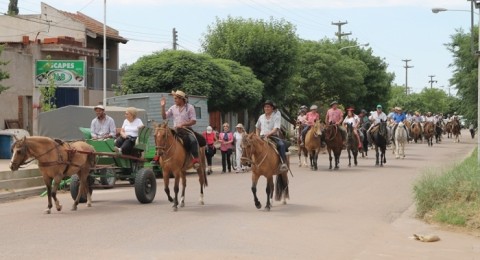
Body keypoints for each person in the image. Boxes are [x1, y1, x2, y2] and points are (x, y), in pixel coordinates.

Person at [157, 90, 206, 169]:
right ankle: (158, 157)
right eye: (174, 98)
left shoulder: (190, 107)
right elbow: (164, 117)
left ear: (181, 99)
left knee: (193, 141)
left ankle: (195, 160)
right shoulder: (173, 108)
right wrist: (163, 106)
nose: (174, 100)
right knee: (162, 138)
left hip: (186, 129)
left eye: (176, 98)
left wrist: (183, 124)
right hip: (175, 129)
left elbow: (193, 121)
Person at [255, 100, 288, 173]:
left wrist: (268, 134)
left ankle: (283, 163)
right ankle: (250, 162)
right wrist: (257, 136)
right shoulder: (261, 117)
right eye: (265, 107)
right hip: (261, 137)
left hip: (272, 136)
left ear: (272, 108)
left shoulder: (276, 116)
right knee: (251, 146)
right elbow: (257, 127)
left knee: (281, 145)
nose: (266, 108)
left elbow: (276, 128)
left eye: (268, 107)